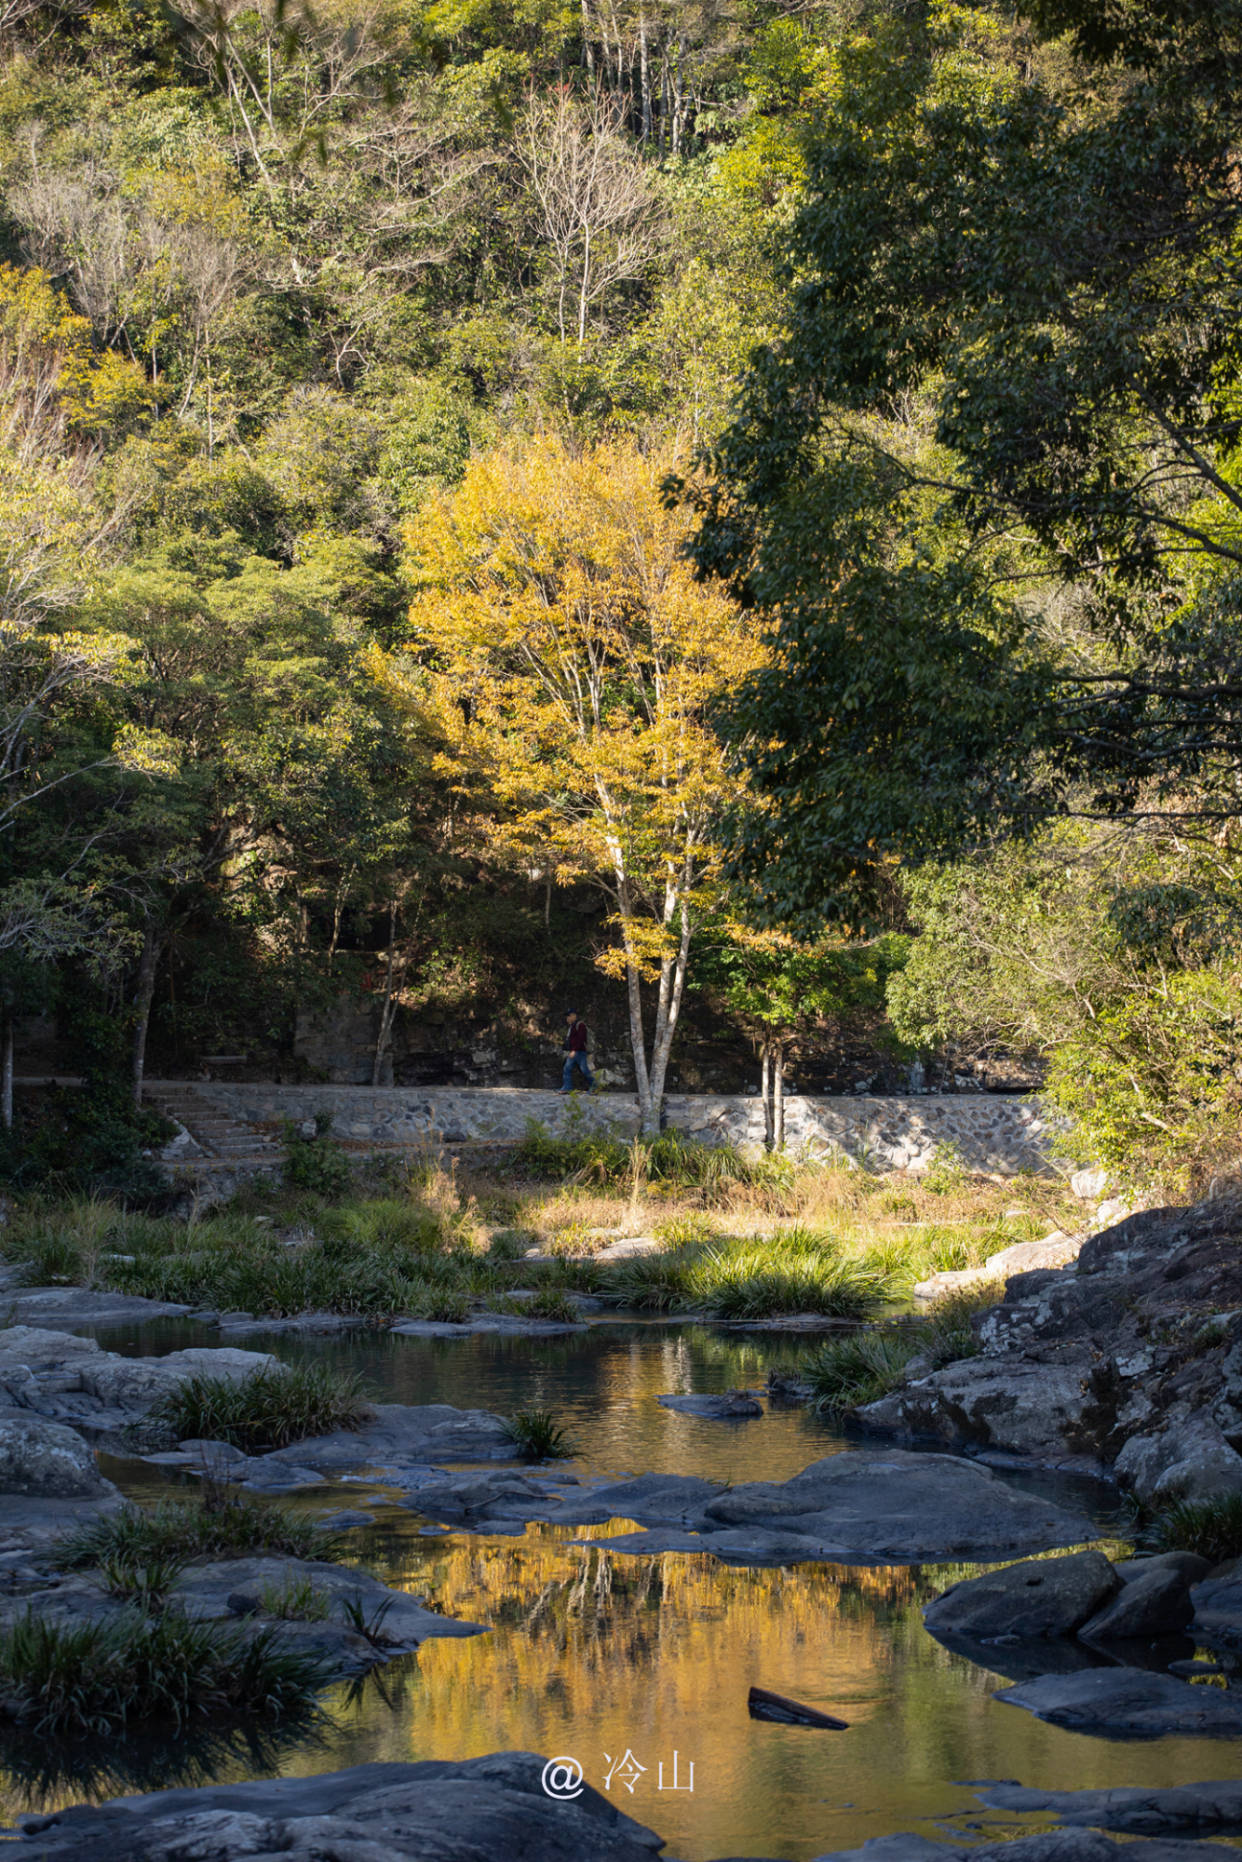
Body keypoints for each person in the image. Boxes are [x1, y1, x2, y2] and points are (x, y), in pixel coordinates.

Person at [559, 1011, 594, 1093]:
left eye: (569, 1016)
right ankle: (567, 1087)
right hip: (575, 1051)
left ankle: (594, 1086)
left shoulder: (580, 1025)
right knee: (569, 1069)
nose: (567, 1018)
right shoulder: (572, 1026)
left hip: (579, 1051)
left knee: (583, 1070)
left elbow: (581, 1039)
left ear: (574, 1016)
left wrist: (574, 1050)